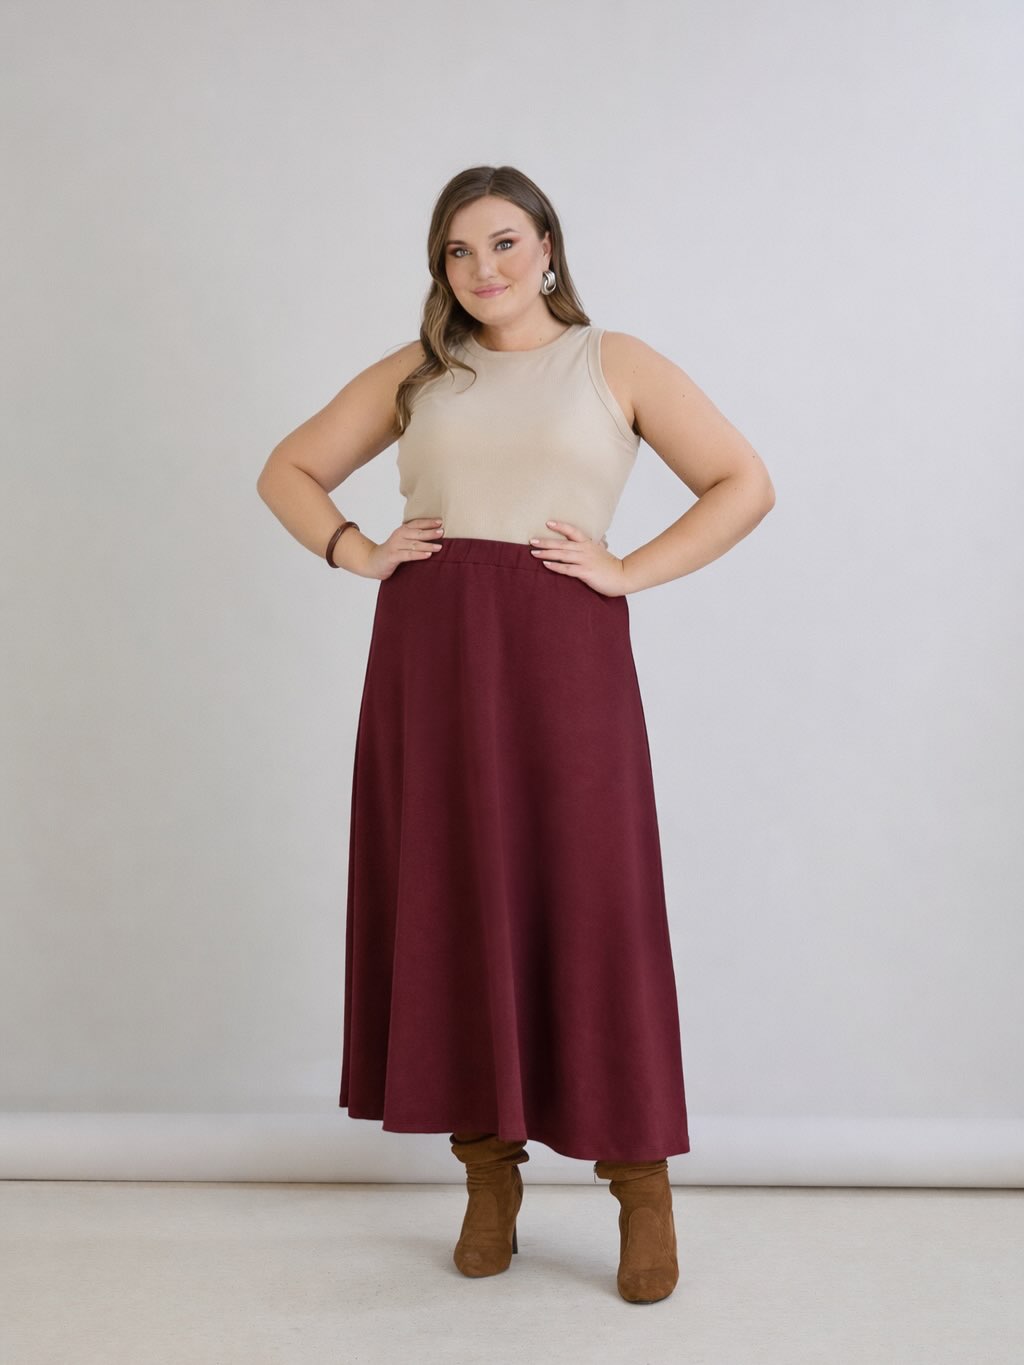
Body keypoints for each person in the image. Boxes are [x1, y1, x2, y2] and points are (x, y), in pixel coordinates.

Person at [256, 164, 775, 1305]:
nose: (481, 268)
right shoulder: (420, 372)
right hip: (429, 662)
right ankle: (488, 1179)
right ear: (439, 268)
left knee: (593, 900)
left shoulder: (613, 362)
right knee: (450, 897)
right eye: (458, 250)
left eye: (502, 242)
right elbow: (285, 470)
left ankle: (639, 1185)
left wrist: (628, 568)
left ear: (546, 247)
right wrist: (356, 548)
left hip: (564, 657)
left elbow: (742, 481)